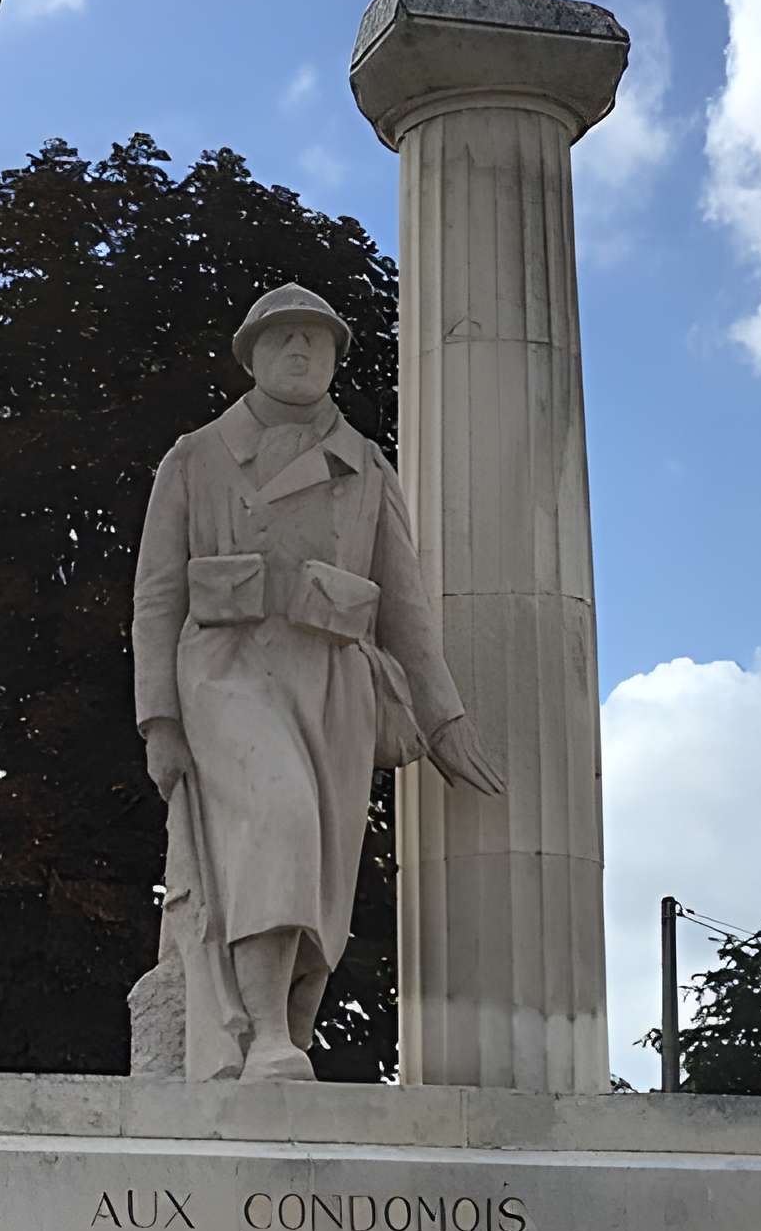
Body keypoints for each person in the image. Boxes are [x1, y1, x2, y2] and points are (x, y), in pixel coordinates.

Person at [131, 283, 502, 1081]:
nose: (299, 352)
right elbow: (157, 596)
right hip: (227, 673)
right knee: (280, 819)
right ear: (252, 353)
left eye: (316, 339)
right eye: (281, 337)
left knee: (325, 873)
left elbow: (404, 607)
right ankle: (264, 1031)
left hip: (333, 681)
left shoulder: (366, 465)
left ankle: (287, 1024)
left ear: (334, 355)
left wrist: (444, 720)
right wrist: (159, 721)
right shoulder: (197, 457)